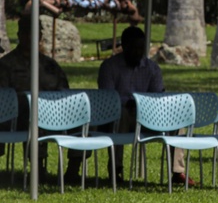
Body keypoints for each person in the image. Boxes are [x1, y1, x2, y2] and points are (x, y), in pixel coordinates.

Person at [84, 25, 190, 184]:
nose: (138, 52)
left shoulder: (152, 68)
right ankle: (116, 170)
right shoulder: (110, 67)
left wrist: (145, 105)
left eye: (141, 48)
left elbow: (158, 97)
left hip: (147, 116)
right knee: (121, 114)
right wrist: (129, 104)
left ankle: (177, 171)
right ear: (124, 46)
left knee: (176, 121)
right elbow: (107, 98)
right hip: (116, 116)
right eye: (134, 48)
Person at [0, 15, 70, 170]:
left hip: (53, 115)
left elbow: (64, 91)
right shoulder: (6, 65)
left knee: (81, 122)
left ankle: (74, 169)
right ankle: (37, 166)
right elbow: (3, 98)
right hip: (16, 117)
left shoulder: (49, 65)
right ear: (19, 35)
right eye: (27, 32)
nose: (31, 37)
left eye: (35, 33)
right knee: (33, 115)